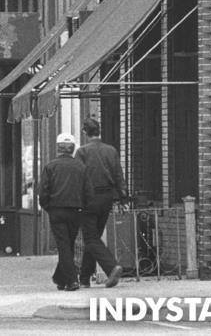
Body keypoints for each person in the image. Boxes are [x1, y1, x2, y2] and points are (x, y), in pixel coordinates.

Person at [38, 133, 92, 291]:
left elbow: (43, 192)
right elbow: (88, 192)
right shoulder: (81, 167)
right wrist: (83, 207)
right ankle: (60, 278)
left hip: (56, 210)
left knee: (63, 246)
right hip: (75, 210)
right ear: (73, 148)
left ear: (58, 148)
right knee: (68, 244)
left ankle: (71, 280)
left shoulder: (51, 167)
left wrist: (48, 207)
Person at [76, 118, 125, 288]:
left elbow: (79, 178)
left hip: (89, 198)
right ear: (99, 131)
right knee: (94, 238)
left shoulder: (82, 152)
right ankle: (84, 278)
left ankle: (111, 267)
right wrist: (123, 198)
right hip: (107, 198)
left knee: (90, 238)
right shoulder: (111, 150)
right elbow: (118, 175)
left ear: (85, 132)